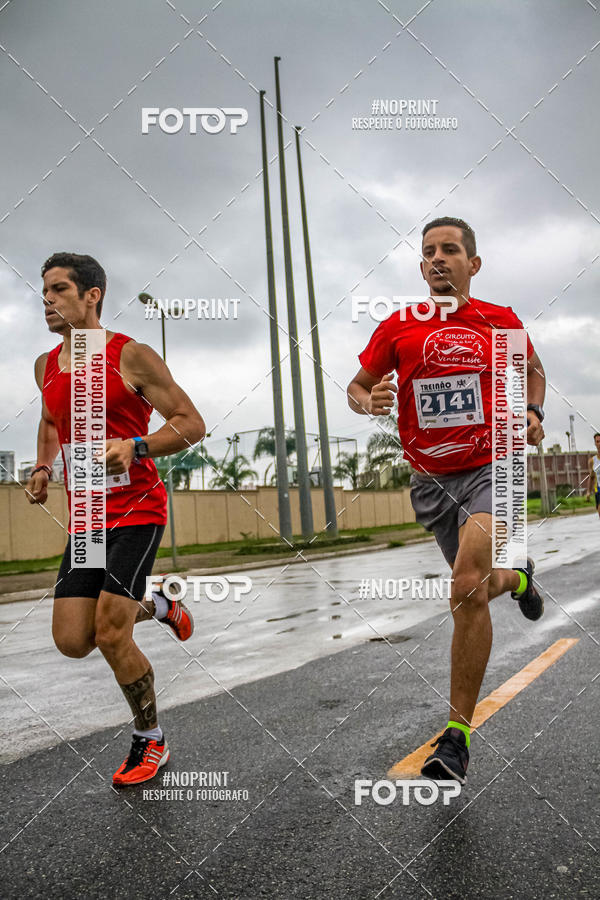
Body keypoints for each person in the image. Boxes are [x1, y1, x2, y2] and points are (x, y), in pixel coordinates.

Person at [347, 217, 546, 784]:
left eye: (450, 250)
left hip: (495, 464)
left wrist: (533, 412)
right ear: (421, 266)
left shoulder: (499, 321)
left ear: (472, 264)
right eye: (429, 251)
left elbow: (534, 372)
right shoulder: (399, 327)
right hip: (431, 478)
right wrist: (370, 399)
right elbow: (357, 388)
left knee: (464, 584)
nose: (438, 258)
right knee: (479, 589)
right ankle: (523, 578)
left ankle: (455, 738)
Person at [26, 252, 205, 787]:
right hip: (85, 518)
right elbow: (50, 423)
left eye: (59, 290)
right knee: (71, 638)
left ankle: (150, 739)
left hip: (136, 509)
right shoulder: (46, 365)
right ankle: (159, 605)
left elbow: (191, 423)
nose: (48, 300)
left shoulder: (131, 356)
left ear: (92, 295)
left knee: (109, 632)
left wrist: (137, 445)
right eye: (44, 292)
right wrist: (42, 466)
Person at [584, 432, 600, 517]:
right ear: (595, 443)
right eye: (597, 442)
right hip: (598, 489)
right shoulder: (592, 461)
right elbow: (591, 477)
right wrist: (588, 492)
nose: (599, 444)